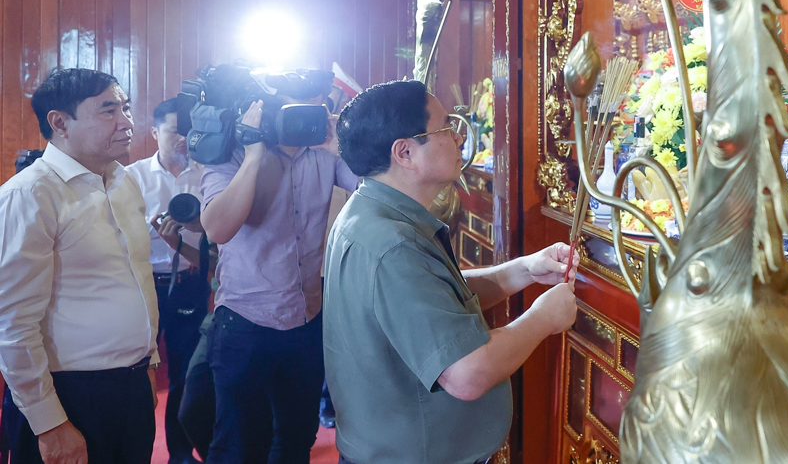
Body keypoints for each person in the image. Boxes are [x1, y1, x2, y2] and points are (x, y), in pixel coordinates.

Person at [324, 80, 579, 464]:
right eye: (446, 127)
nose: (459, 136)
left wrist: (524, 270)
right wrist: (544, 318)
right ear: (405, 152)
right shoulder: (393, 244)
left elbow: (434, 300)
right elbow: (466, 374)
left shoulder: (370, 211)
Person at [0, 68, 159, 464]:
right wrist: (49, 423)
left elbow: (137, 279)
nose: (127, 123)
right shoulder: (32, 194)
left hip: (132, 385)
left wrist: (148, 361)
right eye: (109, 111)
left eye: (125, 108)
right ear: (60, 123)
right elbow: (12, 321)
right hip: (69, 394)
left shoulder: (123, 181)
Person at [200, 78, 357, 464]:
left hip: (307, 321)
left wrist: (344, 147)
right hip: (245, 321)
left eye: (317, 110)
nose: (308, 121)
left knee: (295, 440)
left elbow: (379, 194)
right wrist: (254, 155)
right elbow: (218, 227)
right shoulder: (231, 152)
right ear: (268, 112)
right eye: (297, 111)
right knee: (238, 446)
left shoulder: (325, 151)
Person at [126, 98, 212, 464]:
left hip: (191, 281)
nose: (182, 139)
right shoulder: (132, 178)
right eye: (175, 130)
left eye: (189, 131)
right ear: (155, 132)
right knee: (135, 373)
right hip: (140, 286)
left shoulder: (208, 175)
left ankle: (179, 452)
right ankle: (133, 452)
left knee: (184, 373)